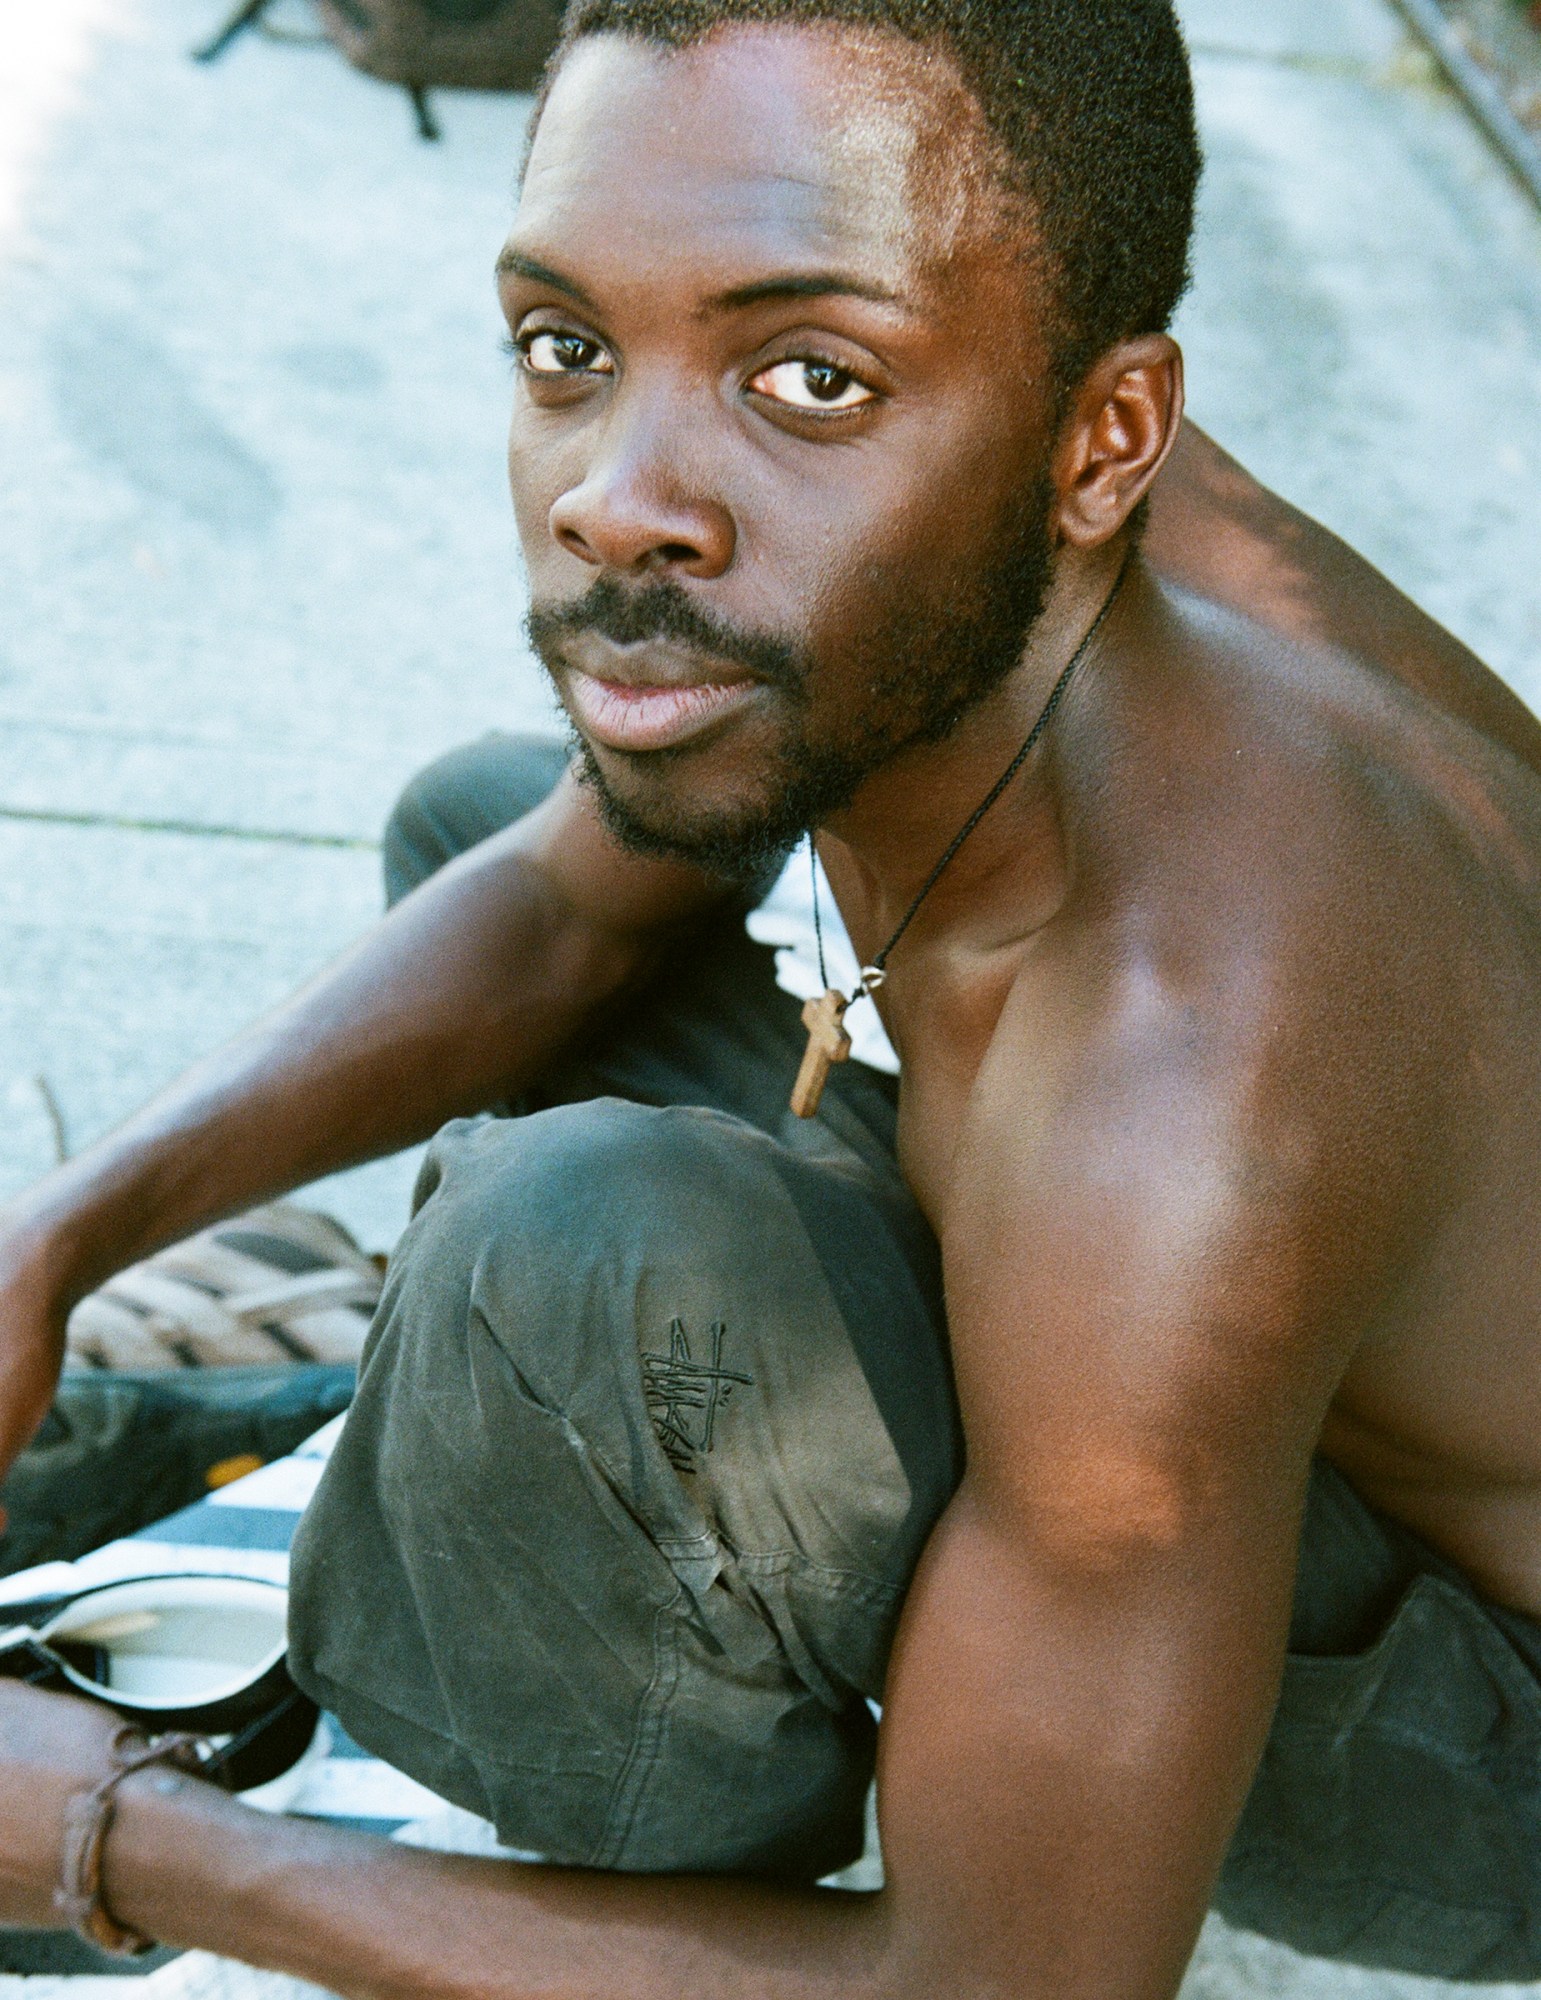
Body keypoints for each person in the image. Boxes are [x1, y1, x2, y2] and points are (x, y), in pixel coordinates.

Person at [3, 0, 1541, 1990]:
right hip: (1251, 1355)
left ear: (1106, 438)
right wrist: (53, 1244)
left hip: (1487, 1716)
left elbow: (1009, 1980)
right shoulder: (1007, 468)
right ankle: (363, 1441)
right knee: (502, 834)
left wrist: (128, 1844)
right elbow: (560, 900)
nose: (619, 500)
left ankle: (522, 1670)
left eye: (805, 372)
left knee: (578, 1286)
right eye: (571, 346)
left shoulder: (1187, 1087)